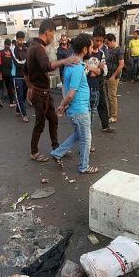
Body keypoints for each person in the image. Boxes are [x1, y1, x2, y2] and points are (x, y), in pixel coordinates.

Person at [24, 19, 79, 162]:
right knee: (40, 123)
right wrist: (65, 61)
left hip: (43, 92)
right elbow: (46, 66)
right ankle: (34, 152)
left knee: (53, 120)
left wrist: (30, 87)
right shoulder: (38, 48)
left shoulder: (32, 46)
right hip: (40, 94)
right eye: (53, 34)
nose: (53, 37)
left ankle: (56, 148)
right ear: (48, 32)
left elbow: (25, 71)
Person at [51, 33, 99, 174]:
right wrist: (63, 105)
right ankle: (84, 166)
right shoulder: (77, 67)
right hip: (80, 110)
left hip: (76, 109)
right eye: (90, 47)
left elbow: (65, 87)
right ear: (84, 49)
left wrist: (64, 104)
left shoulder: (71, 64)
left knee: (79, 135)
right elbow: (71, 93)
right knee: (86, 139)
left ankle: (57, 153)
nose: (91, 50)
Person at [86, 26, 111, 133]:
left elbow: (104, 71)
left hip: (99, 83)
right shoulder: (87, 52)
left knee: (102, 104)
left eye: (101, 41)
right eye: (97, 40)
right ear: (92, 38)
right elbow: (87, 72)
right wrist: (97, 69)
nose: (99, 43)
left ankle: (105, 126)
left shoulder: (102, 53)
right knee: (88, 112)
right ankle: (87, 138)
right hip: (87, 85)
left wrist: (96, 70)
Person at [104, 33, 124, 124]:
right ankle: (110, 113)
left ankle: (114, 116)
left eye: (108, 43)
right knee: (108, 96)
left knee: (112, 96)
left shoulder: (119, 50)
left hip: (113, 77)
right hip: (107, 76)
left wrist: (113, 76)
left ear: (112, 41)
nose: (107, 45)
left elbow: (121, 65)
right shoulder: (109, 49)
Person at [13, 31, 29, 122]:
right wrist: (26, 63)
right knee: (19, 95)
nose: (21, 41)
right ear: (16, 39)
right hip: (17, 76)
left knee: (24, 95)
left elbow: (28, 60)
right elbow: (17, 63)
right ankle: (24, 114)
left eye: (22, 40)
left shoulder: (26, 48)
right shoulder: (13, 49)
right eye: (19, 40)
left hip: (25, 76)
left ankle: (18, 110)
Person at [0, 39, 16, 108]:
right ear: (10, 44)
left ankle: (0, 100)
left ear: (4, 44)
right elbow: (14, 62)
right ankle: (11, 102)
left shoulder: (0, 52)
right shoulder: (12, 52)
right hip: (11, 73)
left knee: (3, 87)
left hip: (3, 73)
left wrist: (0, 73)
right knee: (10, 87)